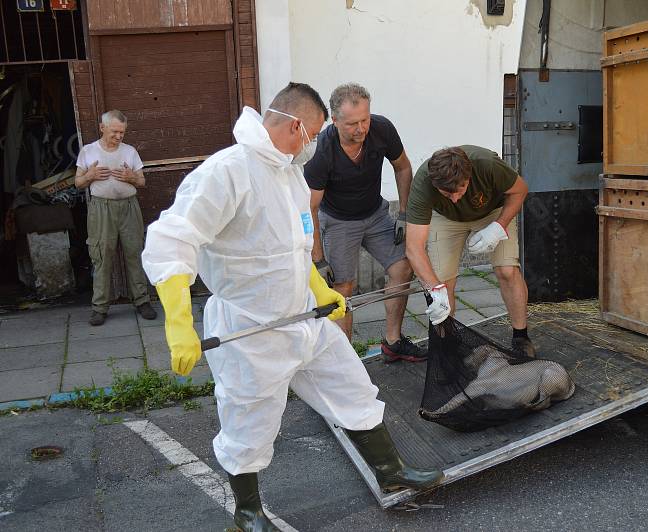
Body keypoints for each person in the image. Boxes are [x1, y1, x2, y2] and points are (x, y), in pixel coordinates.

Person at [141, 83, 442, 531]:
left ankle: (392, 472)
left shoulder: (287, 174)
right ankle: (247, 515)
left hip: (305, 318)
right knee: (249, 423)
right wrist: (179, 322)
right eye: (316, 133)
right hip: (252, 328)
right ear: (297, 125)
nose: (316, 144)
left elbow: (293, 249)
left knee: (353, 389)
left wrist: (322, 292)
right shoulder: (226, 172)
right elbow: (171, 242)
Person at [304, 83, 426, 363]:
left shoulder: (382, 129)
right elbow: (310, 206)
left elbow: (403, 166)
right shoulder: (322, 150)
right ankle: (345, 361)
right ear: (334, 121)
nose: (361, 129)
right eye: (352, 124)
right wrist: (318, 258)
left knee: (403, 267)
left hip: (376, 214)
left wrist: (405, 214)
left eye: (365, 120)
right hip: (338, 221)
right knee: (342, 289)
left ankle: (393, 342)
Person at [404, 145, 536, 359]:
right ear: (435, 184)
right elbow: (413, 247)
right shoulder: (423, 182)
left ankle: (521, 337)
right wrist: (434, 289)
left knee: (507, 271)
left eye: (461, 188)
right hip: (445, 218)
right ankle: (446, 348)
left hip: (492, 212)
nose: (455, 198)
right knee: (442, 284)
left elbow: (520, 190)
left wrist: (499, 227)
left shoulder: (487, 164)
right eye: (447, 193)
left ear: (469, 175)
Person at [75, 110, 156, 326]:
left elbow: (142, 181)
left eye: (122, 132)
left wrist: (132, 178)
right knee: (101, 256)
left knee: (134, 253)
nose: (119, 136)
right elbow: (78, 182)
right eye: (115, 131)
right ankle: (100, 307)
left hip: (129, 208)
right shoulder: (88, 151)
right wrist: (89, 176)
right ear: (102, 128)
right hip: (101, 209)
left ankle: (142, 301)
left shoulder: (129, 151)